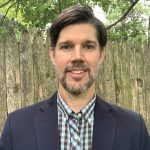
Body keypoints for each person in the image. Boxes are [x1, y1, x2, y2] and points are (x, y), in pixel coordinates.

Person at [0, 5, 150, 150]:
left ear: (102, 54)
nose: (77, 57)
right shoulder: (17, 126)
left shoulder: (134, 129)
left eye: (88, 46)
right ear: (53, 55)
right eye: (66, 46)